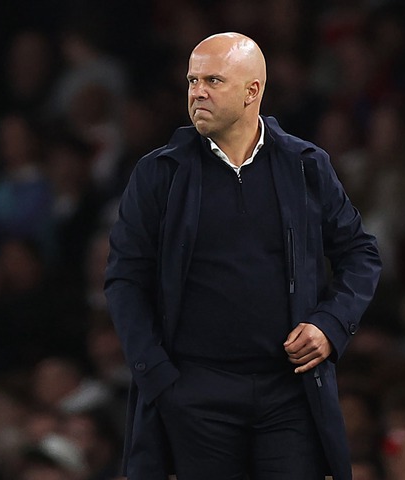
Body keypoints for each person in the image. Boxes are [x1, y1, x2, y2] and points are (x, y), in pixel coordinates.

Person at [104, 32, 381, 480]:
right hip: (194, 390)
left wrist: (330, 325)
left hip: (288, 389)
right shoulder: (159, 173)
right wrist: (158, 376)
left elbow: (360, 252)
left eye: (213, 80)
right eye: (192, 81)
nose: (197, 92)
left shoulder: (306, 165)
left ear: (253, 91)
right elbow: (124, 279)